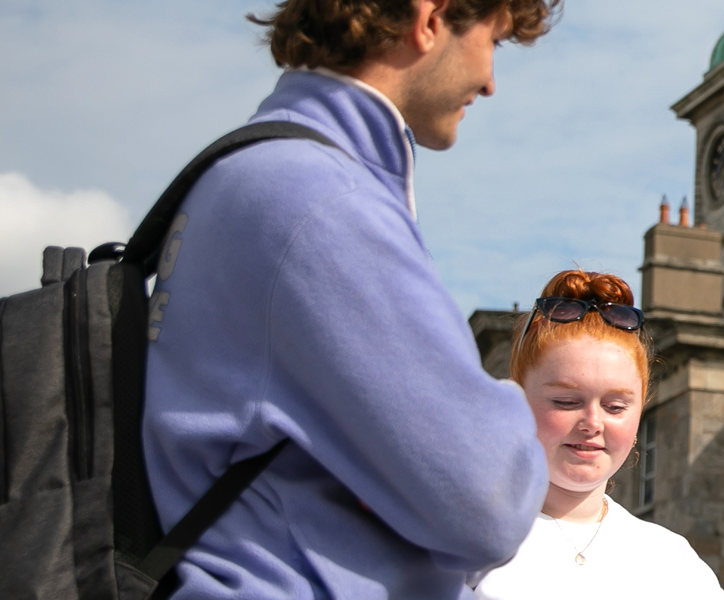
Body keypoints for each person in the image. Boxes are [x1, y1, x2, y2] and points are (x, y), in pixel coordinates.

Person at [142, 0, 560, 597]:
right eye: (491, 40)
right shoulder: (321, 200)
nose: (491, 81)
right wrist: (510, 406)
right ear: (429, 18)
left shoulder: (255, 172)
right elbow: (484, 499)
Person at [470, 270, 724, 599]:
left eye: (615, 406)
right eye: (566, 402)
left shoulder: (674, 563)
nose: (592, 422)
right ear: (517, 400)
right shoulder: (463, 542)